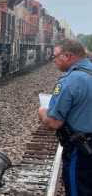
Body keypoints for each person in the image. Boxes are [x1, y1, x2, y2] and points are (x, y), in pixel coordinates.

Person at [39, 39, 92, 195]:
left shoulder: (68, 82)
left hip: (82, 151)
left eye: (56, 56)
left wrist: (42, 111)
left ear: (68, 56)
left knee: (78, 189)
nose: (54, 60)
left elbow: (54, 123)